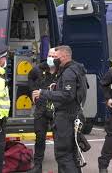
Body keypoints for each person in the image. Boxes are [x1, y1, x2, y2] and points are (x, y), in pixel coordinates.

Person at [32, 45, 87, 173]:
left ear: (64, 56)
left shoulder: (69, 72)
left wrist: (44, 93)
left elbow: (68, 95)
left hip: (66, 118)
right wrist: (56, 87)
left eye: (56, 57)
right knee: (72, 155)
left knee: (63, 155)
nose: (53, 59)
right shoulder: (76, 69)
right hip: (72, 115)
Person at [27, 48, 58, 173]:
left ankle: (64, 166)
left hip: (57, 110)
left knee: (60, 139)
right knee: (39, 138)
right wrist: (33, 92)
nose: (51, 58)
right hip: (41, 110)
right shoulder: (39, 69)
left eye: (53, 56)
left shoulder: (62, 71)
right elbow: (30, 77)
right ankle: (37, 166)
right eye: (49, 55)